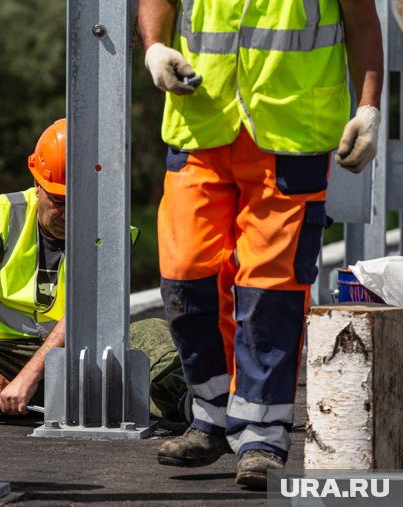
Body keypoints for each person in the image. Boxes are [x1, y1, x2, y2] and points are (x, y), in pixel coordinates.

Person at [138, 0, 383, 489]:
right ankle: (211, 415)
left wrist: (369, 107)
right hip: (199, 124)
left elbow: (362, 21)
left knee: (270, 290)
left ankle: (262, 436)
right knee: (184, 274)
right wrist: (155, 47)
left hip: (292, 137)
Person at [0, 118, 188, 422]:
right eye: (58, 201)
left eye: (78, 202)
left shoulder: (112, 232)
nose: (67, 214)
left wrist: (31, 377)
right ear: (37, 184)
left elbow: (83, 311)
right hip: (5, 354)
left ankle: (190, 405)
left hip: (81, 356)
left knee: (152, 335)